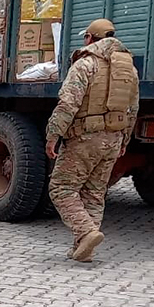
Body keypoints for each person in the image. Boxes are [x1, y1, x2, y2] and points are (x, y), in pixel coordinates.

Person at [44, 18, 139, 263]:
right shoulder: (129, 70)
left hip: (85, 138)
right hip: (114, 137)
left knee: (61, 188)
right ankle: (84, 248)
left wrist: (53, 135)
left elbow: (68, 104)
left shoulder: (85, 65)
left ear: (90, 39)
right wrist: (125, 138)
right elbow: (133, 107)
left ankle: (86, 231)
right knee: (94, 193)